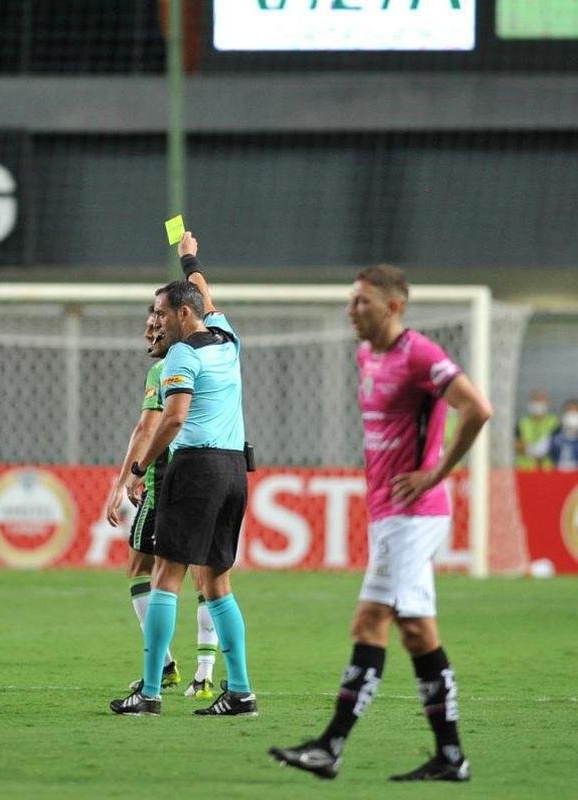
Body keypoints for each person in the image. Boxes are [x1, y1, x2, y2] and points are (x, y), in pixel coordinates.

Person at [269, 265, 492, 782]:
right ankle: (451, 756)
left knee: (369, 620)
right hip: (388, 513)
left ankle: (329, 746)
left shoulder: (421, 355)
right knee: (417, 632)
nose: (351, 310)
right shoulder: (366, 355)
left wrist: (435, 473)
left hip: (414, 514)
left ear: (394, 306)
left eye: (362, 301)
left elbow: (477, 409)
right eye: (352, 300)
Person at [110, 231, 255, 718]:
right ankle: (241, 691)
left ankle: (150, 692)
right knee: (216, 583)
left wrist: (139, 468)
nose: (158, 321)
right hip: (235, 469)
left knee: (166, 575)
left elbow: (172, 420)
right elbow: (204, 294)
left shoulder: (182, 355)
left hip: (195, 469)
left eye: (163, 312)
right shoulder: (227, 337)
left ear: (184, 314)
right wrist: (190, 258)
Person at [104, 305, 218, 700]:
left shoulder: (166, 368)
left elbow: (148, 427)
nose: (149, 331)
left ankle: (163, 668)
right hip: (216, 473)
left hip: (167, 482)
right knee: (208, 574)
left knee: (144, 568)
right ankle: (205, 675)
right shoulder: (217, 358)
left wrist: (126, 479)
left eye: (155, 322)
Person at [515, 389, 557, 469]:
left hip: (547, 469)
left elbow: (557, 444)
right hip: (525, 468)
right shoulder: (523, 422)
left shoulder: (554, 422)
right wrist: (531, 450)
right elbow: (516, 444)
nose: (538, 404)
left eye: (541, 401)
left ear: (547, 403)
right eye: (536, 401)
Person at [548, 399, 578, 471]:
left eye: (575, 411)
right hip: (560, 474)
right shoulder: (554, 436)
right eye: (569, 411)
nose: (572, 414)